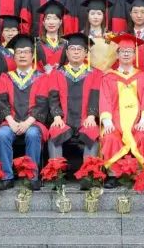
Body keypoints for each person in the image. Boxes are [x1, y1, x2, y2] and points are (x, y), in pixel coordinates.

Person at [0, 34, 49, 190]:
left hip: (33, 122)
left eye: (26, 52)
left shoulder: (41, 78)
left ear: (32, 56)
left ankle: (32, 176)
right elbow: (2, 101)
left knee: (32, 134)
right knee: (2, 134)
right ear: (14, 57)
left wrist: (27, 122)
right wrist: (11, 122)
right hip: (10, 121)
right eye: (19, 52)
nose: (22, 55)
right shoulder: (5, 77)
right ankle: (7, 176)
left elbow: (42, 104)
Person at [45, 34, 103, 181]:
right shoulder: (57, 73)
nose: (76, 52)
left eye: (79, 49)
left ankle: (88, 176)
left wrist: (91, 116)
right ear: (67, 52)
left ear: (86, 53)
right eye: (72, 49)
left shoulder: (95, 73)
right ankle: (57, 175)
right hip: (64, 120)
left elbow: (95, 96)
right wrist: (57, 117)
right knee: (55, 132)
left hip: (85, 120)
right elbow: (53, 97)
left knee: (92, 132)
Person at [98, 33, 144, 180]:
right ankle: (113, 175)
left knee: (143, 136)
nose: (126, 54)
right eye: (123, 51)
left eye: (129, 51)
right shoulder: (108, 77)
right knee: (110, 137)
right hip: (115, 122)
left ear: (135, 55)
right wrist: (107, 122)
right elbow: (105, 100)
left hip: (137, 122)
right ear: (117, 55)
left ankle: (142, 173)